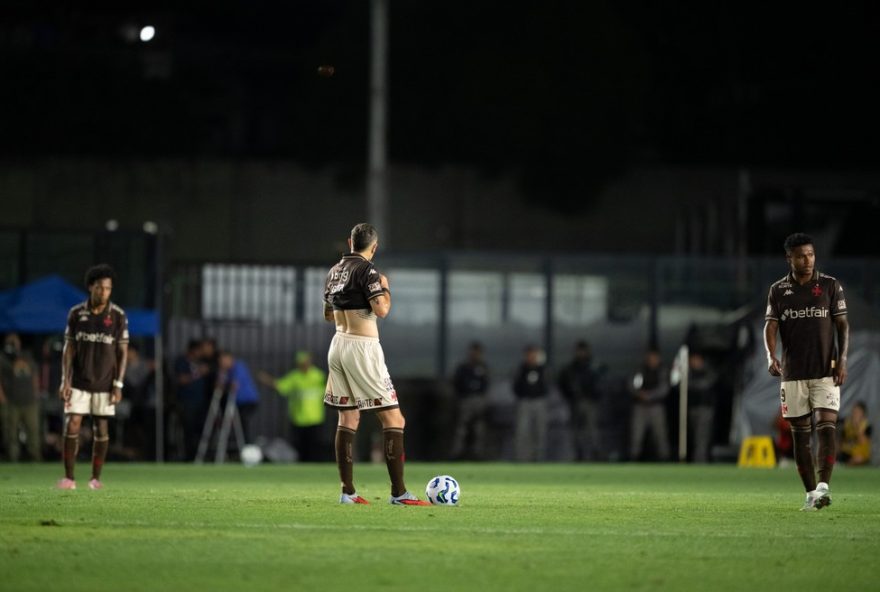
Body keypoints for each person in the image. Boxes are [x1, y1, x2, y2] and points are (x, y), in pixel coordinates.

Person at [322, 222, 429, 505]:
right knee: (394, 419)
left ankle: (348, 492)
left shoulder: (334, 271)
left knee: (348, 417)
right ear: (375, 246)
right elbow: (381, 310)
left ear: (350, 242)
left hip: (338, 345)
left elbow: (328, 315)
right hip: (361, 348)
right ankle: (399, 493)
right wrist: (385, 288)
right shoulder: (368, 270)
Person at [764, 232, 849, 511]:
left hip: (826, 371)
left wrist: (843, 359)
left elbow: (842, 326)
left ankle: (824, 486)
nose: (807, 260)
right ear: (789, 258)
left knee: (826, 428)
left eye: (811, 254)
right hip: (793, 375)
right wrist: (770, 356)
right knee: (801, 437)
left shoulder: (829, 285)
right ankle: (812, 494)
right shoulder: (778, 290)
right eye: (801, 255)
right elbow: (771, 326)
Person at [57, 264, 129, 490]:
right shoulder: (76, 313)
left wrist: (118, 384)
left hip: (105, 383)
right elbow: (69, 349)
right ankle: (69, 478)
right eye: (99, 288)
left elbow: (123, 352)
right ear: (91, 287)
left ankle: (95, 479)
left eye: (107, 289)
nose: (104, 293)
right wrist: (65, 381)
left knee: (102, 428)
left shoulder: (117, 316)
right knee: (73, 424)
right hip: (79, 380)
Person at [259, 351, 329, 462]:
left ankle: (315, 464)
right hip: (298, 418)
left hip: (315, 418)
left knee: (315, 445)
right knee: (300, 445)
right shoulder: (294, 377)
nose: (304, 365)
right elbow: (280, 385)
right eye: (302, 363)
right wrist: (267, 380)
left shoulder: (319, 376)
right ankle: (302, 465)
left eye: (306, 362)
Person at [0, 333, 42, 461]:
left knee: (33, 430)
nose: (12, 343)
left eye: (14, 341)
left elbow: (34, 375)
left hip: (29, 401)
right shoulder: (3, 359)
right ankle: (13, 458)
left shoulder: (27, 356)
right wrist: (2, 398)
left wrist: (36, 393)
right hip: (12, 401)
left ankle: (35, 458)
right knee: (11, 432)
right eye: (10, 341)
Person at [558, 340, 602, 461]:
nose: (581, 353)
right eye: (579, 351)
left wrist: (594, 395)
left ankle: (595, 454)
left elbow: (599, 385)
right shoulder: (570, 369)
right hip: (575, 402)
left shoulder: (593, 367)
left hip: (590, 402)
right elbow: (562, 384)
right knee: (576, 430)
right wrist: (570, 395)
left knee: (592, 430)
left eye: (584, 351)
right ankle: (579, 454)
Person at [450, 341, 490, 460]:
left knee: (479, 428)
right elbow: (456, 383)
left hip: (479, 400)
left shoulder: (483, 367)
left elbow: (486, 384)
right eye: (473, 351)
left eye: (477, 352)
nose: (475, 354)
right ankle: (457, 454)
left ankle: (478, 454)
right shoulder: (463, 367)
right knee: (461, 429)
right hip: (465, 400)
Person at [629, 348, 671, 461]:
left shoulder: (662, 371)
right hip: (640, 406)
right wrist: (640, 394)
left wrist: (650, 395)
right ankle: (634, 458)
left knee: (660, 435)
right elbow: (632, 385)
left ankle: (664, 458)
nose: (652, 360)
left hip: (656, 406)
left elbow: (664, 389)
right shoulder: (640, 370)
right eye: (650, 358)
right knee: (637, 434)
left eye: (654, 358)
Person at [173, 339, 211, 460]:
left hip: (201, 402)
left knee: (201, 430)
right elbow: (181, 380)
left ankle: (201, 456)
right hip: (187, 402)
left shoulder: (202, 362)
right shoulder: (182, 362)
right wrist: (199, 373)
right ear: (193, 350)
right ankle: (189, 456)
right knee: (188, 430)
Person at [513, 344, 550, 462]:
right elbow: (515, 386)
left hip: (539, 402)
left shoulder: (542, 369)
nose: (532, 357)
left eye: (534, 354)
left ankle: (539, 460)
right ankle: (523, 460)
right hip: (525, 402)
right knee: (523, 432)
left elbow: (547, 385)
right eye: (529, 354)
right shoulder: (521, 369)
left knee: (540, 432)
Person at [217, 351, 260, 444]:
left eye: (222, 360)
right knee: (236, 423)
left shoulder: (239, 367)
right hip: (236, 403)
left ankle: (246, 445)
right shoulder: (227, 371)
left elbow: (233, 385)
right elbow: (219, 385)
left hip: (248, 402)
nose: (221, 363)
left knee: (242, 422)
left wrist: (224, 385)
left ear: (229, 358)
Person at [686, 351, 717, 463]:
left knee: (702, 437)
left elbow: (705, 384)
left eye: (695, 359)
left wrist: (691, 384)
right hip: (693, 408)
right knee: (695, 437)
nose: (692, 362)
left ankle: (700, 461)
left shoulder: (708, 371)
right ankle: (697, 459)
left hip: (705, 408)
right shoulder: (689, 372)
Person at [839, 401, 871, 466]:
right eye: (854, 411)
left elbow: (862, 441)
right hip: (847, 452)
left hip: (860, 454)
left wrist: (857, 426)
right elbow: (842, 441)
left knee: (858, 459)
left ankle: (848, 464)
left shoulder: (867, 426)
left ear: (863, 413)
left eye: (858, 412)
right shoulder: (847, 424)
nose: (855, 414)